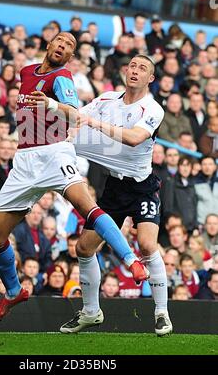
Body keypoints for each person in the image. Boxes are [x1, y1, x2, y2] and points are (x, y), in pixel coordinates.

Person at [0, 32, 148, 322]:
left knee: (87, 207)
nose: (63, 46)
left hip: (54, 152)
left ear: (71, 56)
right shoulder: (25, 72)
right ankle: (13, 291)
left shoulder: (62, 78)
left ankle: (131, 259)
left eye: (70, 45)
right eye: (60, 40)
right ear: (49, 44)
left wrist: (50, 105)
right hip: (24, 159)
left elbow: (73, 113)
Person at [60, 54, 172, 336]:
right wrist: (54, 107)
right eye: (132, 65)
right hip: (114, 188)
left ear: (151, 79)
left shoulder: (153, 109)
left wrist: (95, 125)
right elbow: (77, 116)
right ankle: (90, 312)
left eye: (142, 68)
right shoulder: (107, 99)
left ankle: (161, 313)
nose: (135, 71)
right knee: (84, 248)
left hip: (142, 185)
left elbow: (134, 138)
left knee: (147, 245)